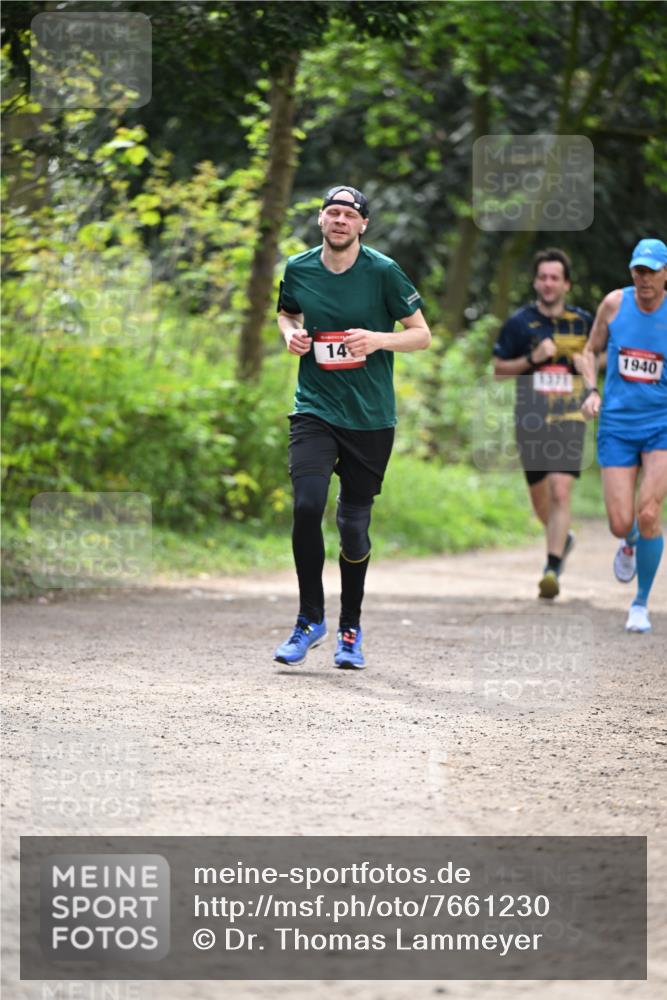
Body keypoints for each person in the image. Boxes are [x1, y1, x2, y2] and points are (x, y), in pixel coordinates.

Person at [273, 184, 431, 668]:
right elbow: (286, 312)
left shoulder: (383, 273)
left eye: (349, 214)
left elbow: (421, 335)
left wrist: (378, 340)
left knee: (354, 529)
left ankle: (350, 629)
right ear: (321, 220)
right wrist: (292, 336)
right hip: (315, 408)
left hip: (369, 419)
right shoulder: (298, 268)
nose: (339, 220)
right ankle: (309, 620)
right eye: (332, 212)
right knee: (306, 505)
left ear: (362, 225)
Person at [493, 249, 593, 599]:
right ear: (536, 281)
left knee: (560, 490)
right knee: (541, 503)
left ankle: (551, 569)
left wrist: (588, 366)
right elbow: (498, 370)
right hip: (531, 419)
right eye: (543, 277)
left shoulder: (583, 322)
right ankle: (561, 540)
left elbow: (607, 354)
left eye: (556, 277)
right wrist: (531, 359)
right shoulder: (520, 323)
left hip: (570, 417)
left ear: (566, 283)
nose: (549, 283)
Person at [581, 237, 667, 633]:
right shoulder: (615, 303)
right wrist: (591, 390)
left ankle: (640, 603)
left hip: (660, 425)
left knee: (650, 513)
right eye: (639, 271)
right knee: (621, 522)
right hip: (617, 423)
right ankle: (628, 540)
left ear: (665, 273)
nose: (644, 279)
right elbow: (589, 350)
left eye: (651, 271)